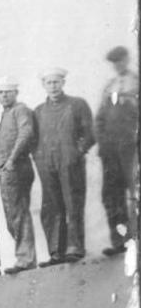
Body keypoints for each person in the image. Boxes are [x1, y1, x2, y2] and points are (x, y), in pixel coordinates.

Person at [34, 68, 94, 267]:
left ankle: (75, 247)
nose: (53, 86)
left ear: (63, 83)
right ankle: (56, 252)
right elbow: (33, 139)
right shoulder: (39, 111)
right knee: (52, 208)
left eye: (56, 82)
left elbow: (90, 133)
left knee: (73, 204)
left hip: (70, 164)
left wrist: (77, 152)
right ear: (43, 85)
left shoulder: (76, 105)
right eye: (49, 82)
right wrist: (39, 158)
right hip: (47, 166)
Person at [95, 46, 139, 256]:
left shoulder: (136, 82)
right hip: (111, 150)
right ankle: (121, 240)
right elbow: (100, 118)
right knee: (112, 196)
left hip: (132, 148)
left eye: (120, 60)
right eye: (114, 62)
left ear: (127, 59)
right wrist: (103, 144)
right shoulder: (109, 86)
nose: (118, 65)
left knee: (136, 192)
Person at [0, 76, 38, 274]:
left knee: (18, 213)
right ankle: (26, 256)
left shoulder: (20, 110)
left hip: (16, 167)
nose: (4, 95)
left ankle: (25, 259)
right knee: (12, 216)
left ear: (16, 93)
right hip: (6, 170)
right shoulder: (6, 113)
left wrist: (11, 159)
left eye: (8, 92)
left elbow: (26, 133)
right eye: (1, 92)